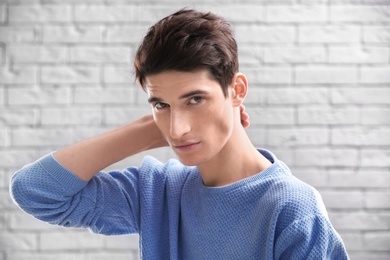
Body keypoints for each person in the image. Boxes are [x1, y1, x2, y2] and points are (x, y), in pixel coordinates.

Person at [10, 9, 349, 259]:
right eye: (161, 105)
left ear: (237, 90)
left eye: (195, 99)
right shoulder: (157, 191)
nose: (177, 129)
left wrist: (162, 116)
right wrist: (144, 131)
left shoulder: (291, 209)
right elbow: (36, 192)